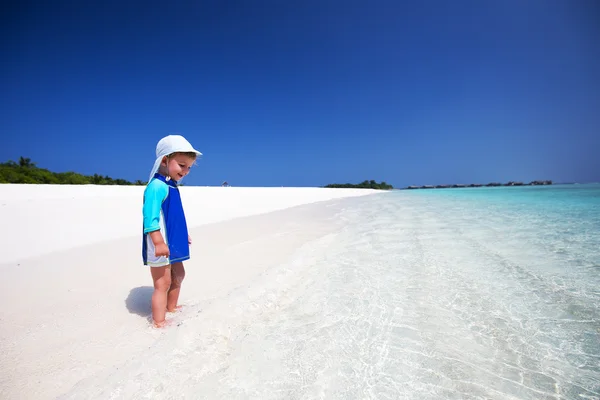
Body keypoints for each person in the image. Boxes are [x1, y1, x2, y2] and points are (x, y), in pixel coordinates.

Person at [142, 134, 202, 328]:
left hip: (173, 240)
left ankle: (172, 307)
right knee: (163, 283)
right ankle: (159, 322)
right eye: (182, 165)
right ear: (165, 160)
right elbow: (150, 218)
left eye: (189, 167)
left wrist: (183, 235)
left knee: (179, 275)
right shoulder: (156, 186)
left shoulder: (171, 186)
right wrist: (158, 241)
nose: (185, 171)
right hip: (159, 243)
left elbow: (174, 217)